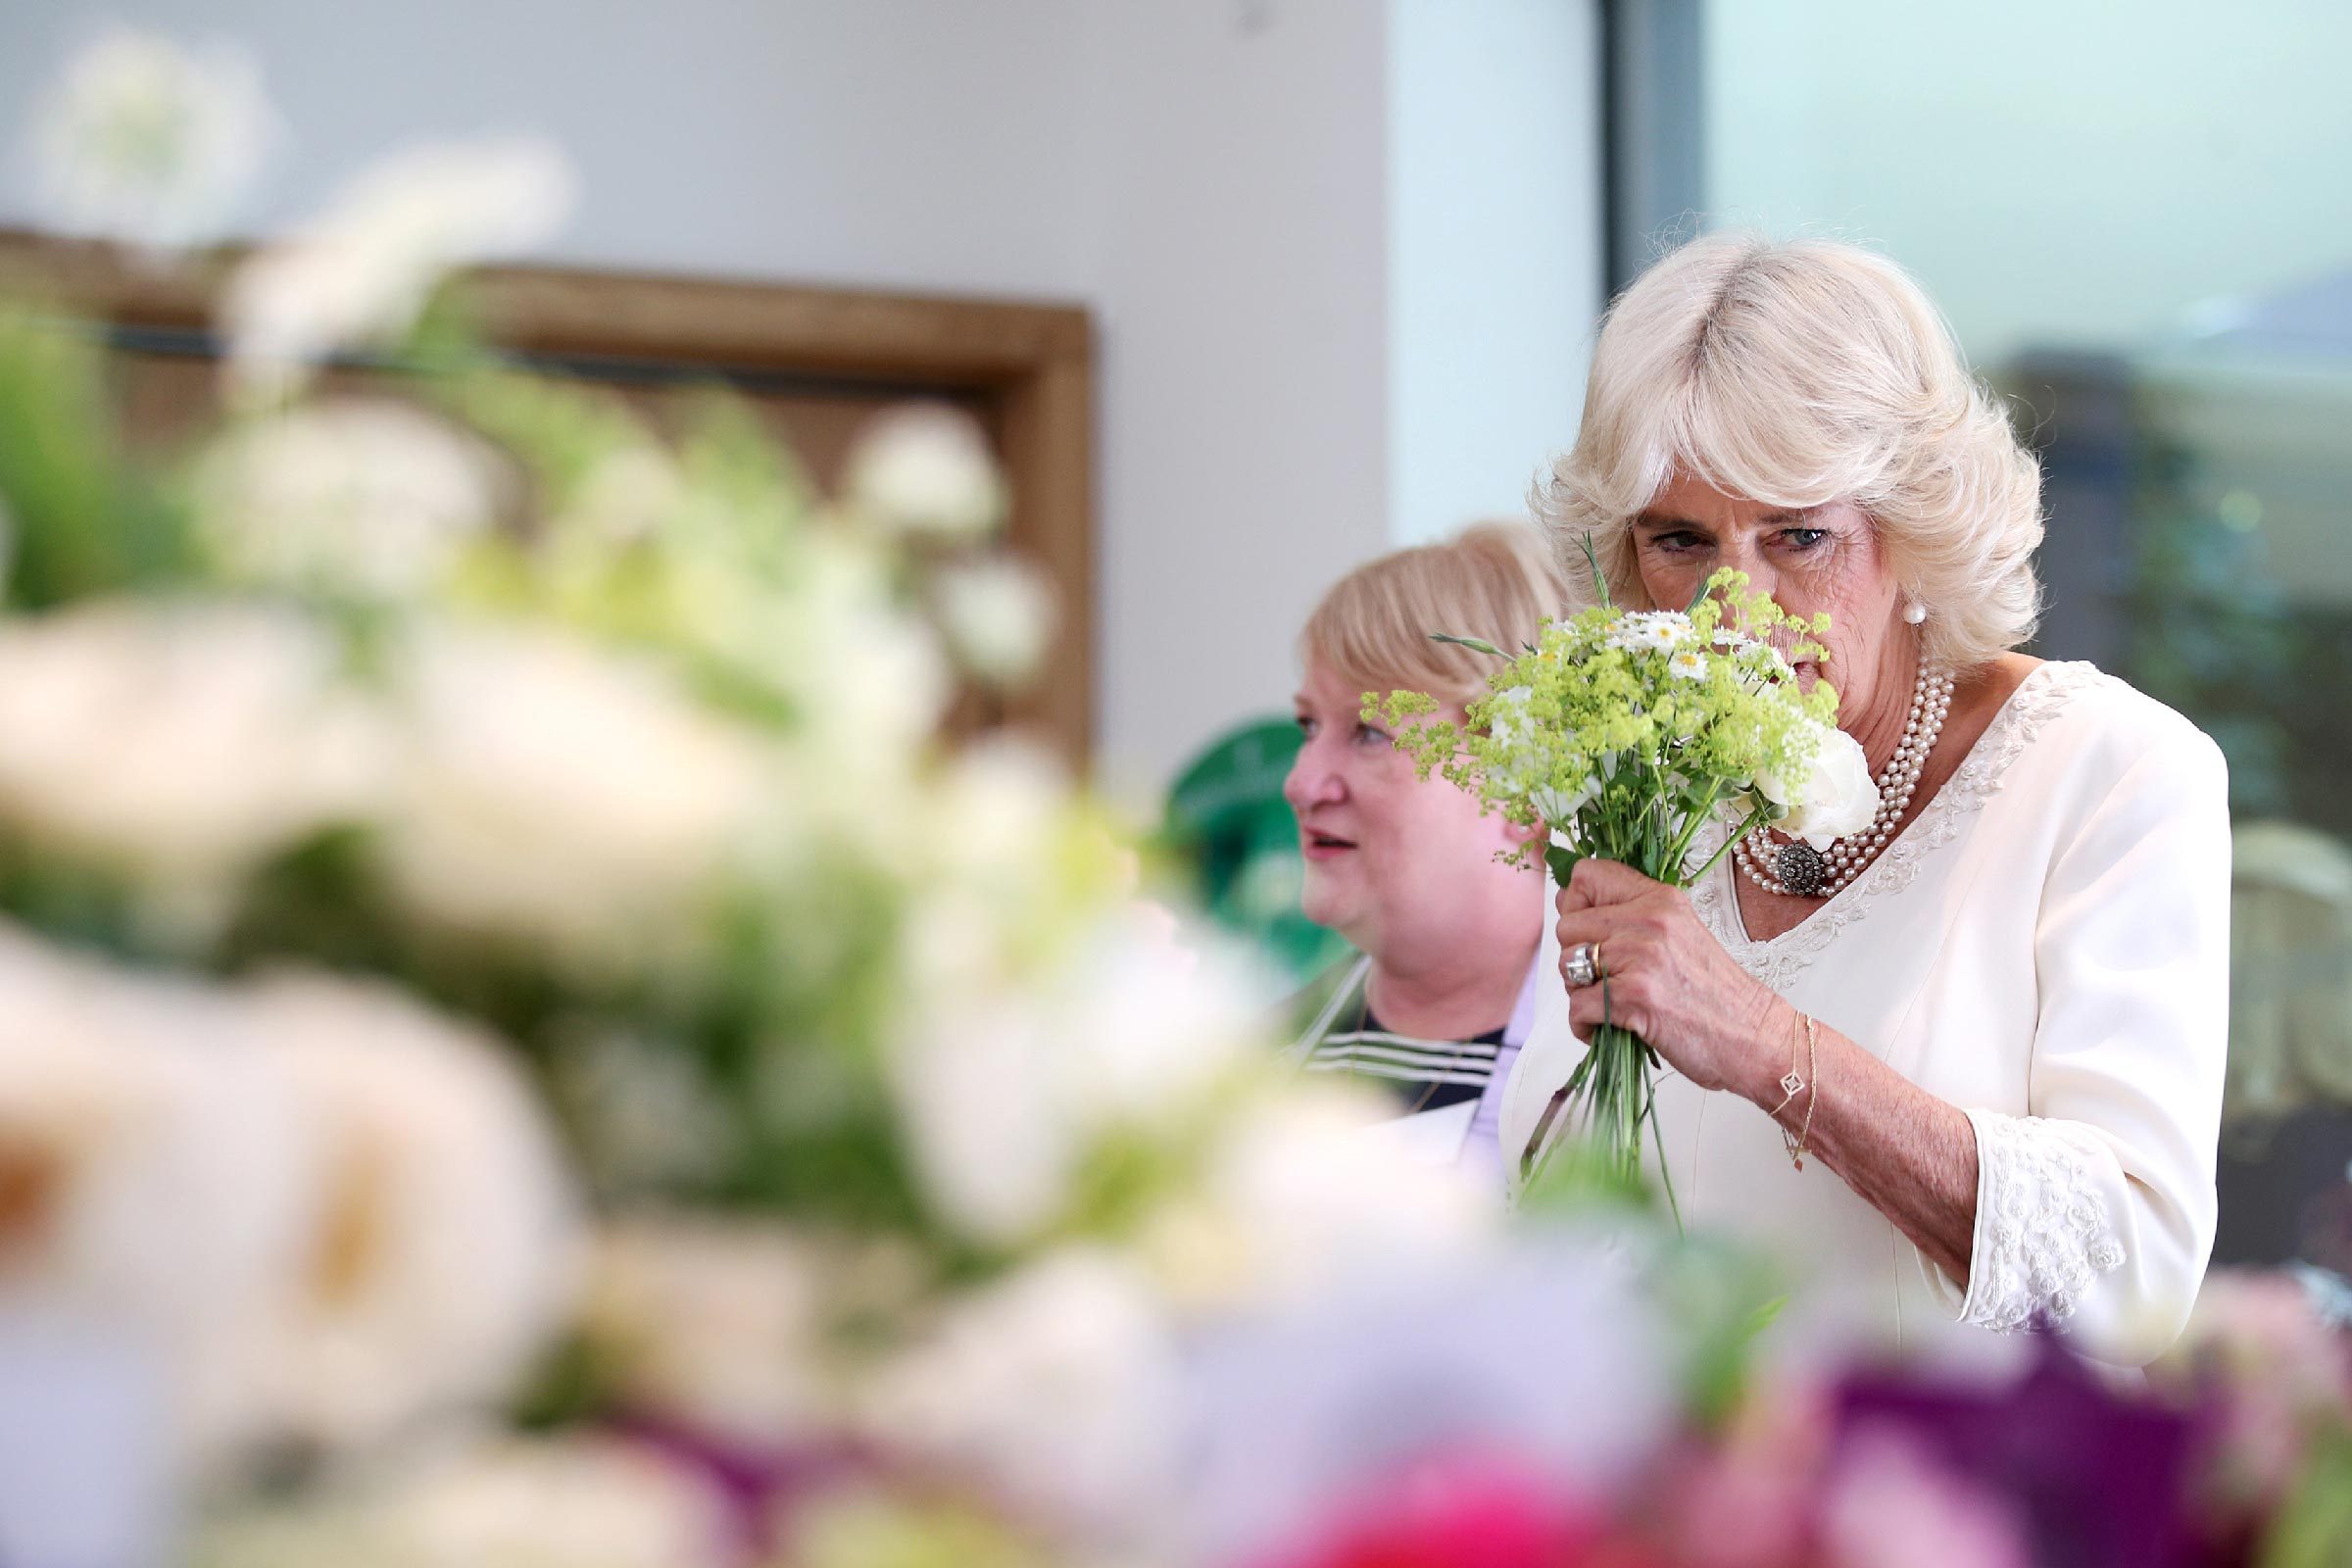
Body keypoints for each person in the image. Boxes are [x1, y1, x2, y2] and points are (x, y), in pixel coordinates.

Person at [1499, 234, 2230, 1369]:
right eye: (1679, 541)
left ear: (1912, 525)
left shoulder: (2108, 771)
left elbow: (2132, 1276)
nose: (1732, 608)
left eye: (1799, 535)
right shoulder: (1642, 782)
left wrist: (1759, 1040)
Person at [1283, 522, 1570, 1191]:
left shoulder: (1635, 1084)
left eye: (1369, 733)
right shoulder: (1247, 1062)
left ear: (1524, 781)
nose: (1299, 782)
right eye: (1308, 726)